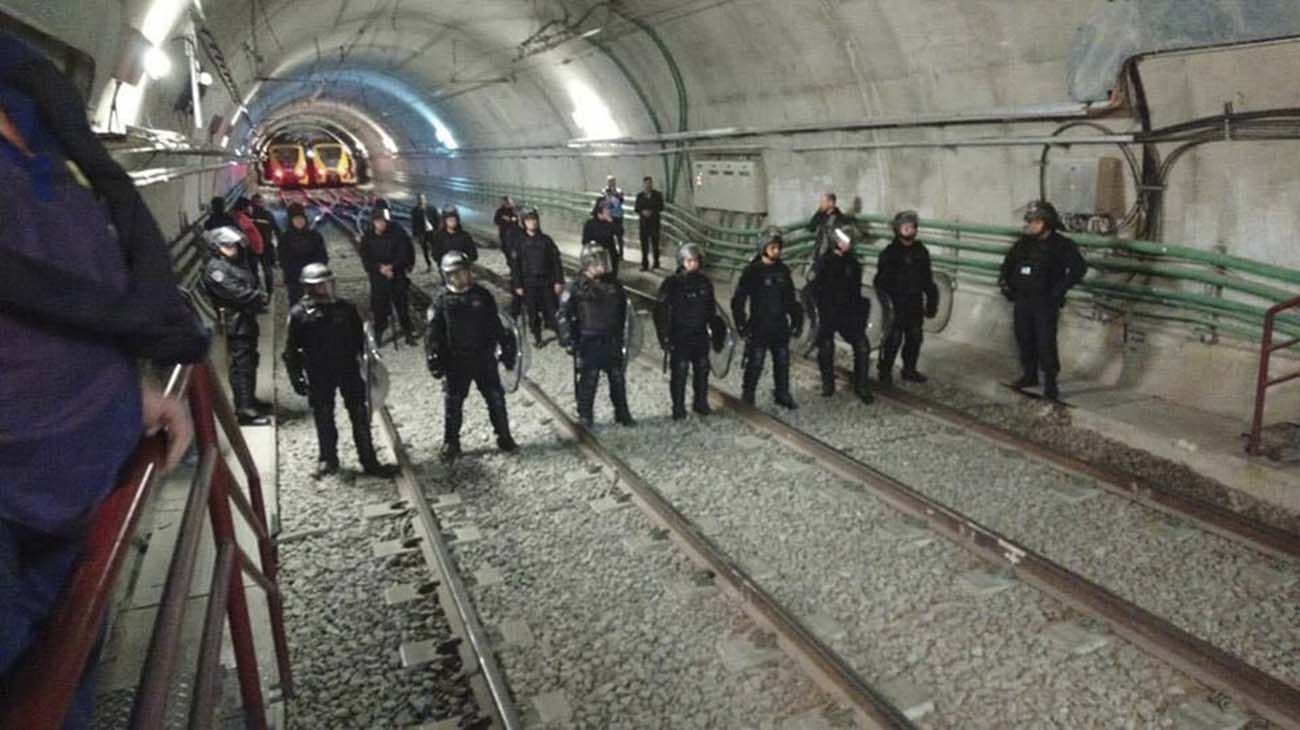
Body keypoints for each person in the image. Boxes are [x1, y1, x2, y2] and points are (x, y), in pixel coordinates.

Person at [0, 34, 206, 729]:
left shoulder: (41, 140)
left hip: (64, 499)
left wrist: (129, 392)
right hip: (14, 503)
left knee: (61, 680)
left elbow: (60, 296)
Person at [282, 263, 397, 478]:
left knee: (360, 415)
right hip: (318, 373)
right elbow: (291, 349)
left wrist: (368, 364)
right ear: (309, 288)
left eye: (328, 284)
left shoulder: (345, 309)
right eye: (320, 286)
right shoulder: (299, 314)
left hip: (348, 369)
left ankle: (369, 459)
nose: (326, 289)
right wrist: (295, 375)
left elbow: (360, 340)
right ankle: (328, 458)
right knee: (324, 417)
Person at [426, 252, 519, 464]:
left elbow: (495, 324)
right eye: (457, 274)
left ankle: (504, 436)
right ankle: (451, 441)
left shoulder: (482, 296)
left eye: (465, 273)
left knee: (495, 399)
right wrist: (434, 359)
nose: (462, 278)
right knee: (453, 404)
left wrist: (507, 347)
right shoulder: (442, 302)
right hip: (456, 362)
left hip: (483, 358)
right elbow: (434, 335)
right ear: (448, 276)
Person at [998, 201, 1088, 400]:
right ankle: (1030, 375)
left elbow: (1078, 269)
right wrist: (1006, 284)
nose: (1029, 225)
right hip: (1022, 300)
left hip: (1044, 303)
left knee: (1045, 342)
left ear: (1046, 223)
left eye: (1034, 222)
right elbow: (1008, 265)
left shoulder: (1061, 245)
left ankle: (1050, 383)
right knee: (1024, 338)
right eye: (1029, 222)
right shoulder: (1023, 243)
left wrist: (1058, 291)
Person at [559, 245, 635, 428]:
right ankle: (585, 415)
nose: (604, 265)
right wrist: (568, 339)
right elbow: (563, 314)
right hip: (589, 340)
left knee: (617, 378)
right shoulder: (575, 286)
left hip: (611, 338)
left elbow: (624, 312)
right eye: (599, 261)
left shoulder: (614, 285)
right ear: (588, 264)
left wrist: (623, 336)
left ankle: (622, 412)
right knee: (589, 379)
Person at [202, 227, 271, 425]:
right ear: (216, 247)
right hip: (236, 323)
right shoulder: (216, 270)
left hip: (245, 321)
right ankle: (245, 410)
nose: (232, 248)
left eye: (232, 244)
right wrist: (258, 297)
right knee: (242, 366)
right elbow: (237, 293)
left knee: (249, 362)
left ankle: (249, 400)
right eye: (226, 245)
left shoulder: (233, 264)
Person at [731, 228, 803, 409]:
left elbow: (790, 298)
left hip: (779, 324)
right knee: (755, 361)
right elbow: (738, 300)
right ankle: (748, 394)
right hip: (759, 325)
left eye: (778, 247)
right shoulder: (753, 271)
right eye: (772, 247)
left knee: (783, 360)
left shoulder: (783, 271)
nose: (776, 251)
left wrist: (796, 319)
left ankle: (782, 392)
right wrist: (741, 324)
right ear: (763, 248)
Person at [655, 243, 723, 419]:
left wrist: (716, 330)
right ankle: (678, 407)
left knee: (702, 368)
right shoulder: (671, 284)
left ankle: (700, 402)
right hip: (680, 334)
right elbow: (660, 311)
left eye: (696, 261)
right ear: (682, 262)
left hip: (699, 333)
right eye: (689, 261)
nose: (693, 264)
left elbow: (710, 309)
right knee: (680, 371)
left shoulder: (704, 282)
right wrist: (664, 337)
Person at [874, 210, 939, 384]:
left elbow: (927, 278)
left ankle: (909, 370)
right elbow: (879, 282)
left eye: (912, 227)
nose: (909, 230)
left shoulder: (921, 251)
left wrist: (932, 300)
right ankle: (885, 371)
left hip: (914, 303)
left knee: (915, 338)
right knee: (893, 339)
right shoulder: (889, 253)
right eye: (905, 227)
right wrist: (886, 305)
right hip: (896, 304)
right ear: (897, 229)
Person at [810, 226, 873, 404]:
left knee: (862, 345)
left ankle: (861, 386)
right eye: (845, 240)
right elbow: (813, 289)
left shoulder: (853, 263)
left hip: (848, 313)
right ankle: (827, 383)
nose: (849, 244)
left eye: (849, 241)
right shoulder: (824, 262)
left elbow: (856, 290)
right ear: (835, 242)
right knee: (826, 345)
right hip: (828, 311)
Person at [361, 208, 417, 346]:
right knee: (379, 308)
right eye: (378, 222)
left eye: (384, 222)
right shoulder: (367, 238)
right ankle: (378, 334)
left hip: (397, 276)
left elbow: (403, 254)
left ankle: (408, 332)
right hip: (378, 278)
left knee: (402, 307)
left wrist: (392, 267)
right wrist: (380, 268)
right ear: (373, 222)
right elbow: (366, 259)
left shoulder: (396, 235)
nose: (381, 224)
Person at [510, 208, 564, 348]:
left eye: (534, 219)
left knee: (552, 310)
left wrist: (559, 281)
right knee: (533, 313)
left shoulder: (546, 240)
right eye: (529, 220)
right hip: (529, 283)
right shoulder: (519, 243)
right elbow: (515, 266)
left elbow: (556, 262)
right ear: (524, 223)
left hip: (546, 281)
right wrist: (517, 285)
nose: (532, 223)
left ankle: (561, 335)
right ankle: (537, 337)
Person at [278, 202, 329, 305]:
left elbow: (322, 254)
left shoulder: (315, 235)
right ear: (291, 221)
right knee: (296, 303)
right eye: (296, 220)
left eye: (301, 219)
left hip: (314, 276)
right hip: (294, 278)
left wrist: (315, 269)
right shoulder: (285, 238)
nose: (299, 222)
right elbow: (283, 259)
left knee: (316, 303)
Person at [230, 197, 267, 287]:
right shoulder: (238, 217)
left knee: (253, 270)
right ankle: (255, 289)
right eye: (248, 206)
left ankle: (255, 287)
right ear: (243, 207)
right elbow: (241, 232)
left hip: (254, 248)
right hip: (252, 249)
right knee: (252, 271)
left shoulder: (240, 216)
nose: (250, 208)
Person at [430, 205, 478, 274]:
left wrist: (465, 259)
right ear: (445, 221)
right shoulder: (439, 236)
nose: (452, 221)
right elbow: (435, 254)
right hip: (447, 271)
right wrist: (444, 263)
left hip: (463, 271)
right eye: (449, 219)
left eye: (454, 219)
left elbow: (473, 254)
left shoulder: (465, 235)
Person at [249, 193, 279, 295]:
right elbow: (276, 230)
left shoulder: (249, 215)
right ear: (262, 203)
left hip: (252, 248)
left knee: (253, 270)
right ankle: (269, 292)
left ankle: (256, 290)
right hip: (266, 246)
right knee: (267, 270)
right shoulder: (268, 215)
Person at [581, 198, 620, 276]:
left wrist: (611, 221)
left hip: (610, 257)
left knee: (610, 281)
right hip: (596, 258)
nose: (609, 211)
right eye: (607, 209)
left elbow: (619, 233)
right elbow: (585, 241)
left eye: (609, 209)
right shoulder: (590, 223)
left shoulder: (611, 222)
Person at [634, 176, 665, 271]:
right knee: (644, 245)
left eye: (649, 183)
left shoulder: (657, 195)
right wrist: (642, 212)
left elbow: (661, 207)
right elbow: (636, 208)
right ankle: (645, 264)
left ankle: (656, 262)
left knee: (655, 244)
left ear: (652, 184)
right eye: (646, 183)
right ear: (643, 185)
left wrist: (652, 211)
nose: (648, 185)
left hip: (654, 223)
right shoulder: (640, 196)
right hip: (644, 224)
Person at [806, 192, 845, 266]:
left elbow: (841, 239)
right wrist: (818, 212)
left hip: (831, 257)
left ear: (831, 203)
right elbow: (811, 228)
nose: (821, 204)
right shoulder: (821, 215)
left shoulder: (839, 218)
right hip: (818, 254)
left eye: (823, 202)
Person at [409, 193, 437, 272]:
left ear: (426, 199)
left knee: (436, 248)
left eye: (423, 199)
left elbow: (437, 219)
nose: (422, 200)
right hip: (422, 233)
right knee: (424, 250)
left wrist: (438, 230)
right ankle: (429, 265)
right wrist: (415, 235)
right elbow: (413, 223)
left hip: (432, 231)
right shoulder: (414, 211)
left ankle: (438, 262)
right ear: (418, 200)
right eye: (420, 199)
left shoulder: (431, 208)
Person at [602, 175, 626, 265]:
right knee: (608, 236)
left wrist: (614, 194)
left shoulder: (619, 191)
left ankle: (621, 254)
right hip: (608, 216)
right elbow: (604, 202)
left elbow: (621, 200)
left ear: (615, 182)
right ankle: (611, 253)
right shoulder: (604, 191)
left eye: (612, 181)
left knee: (619, 236)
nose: (611, 183)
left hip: (618, 216)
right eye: (609, 181)